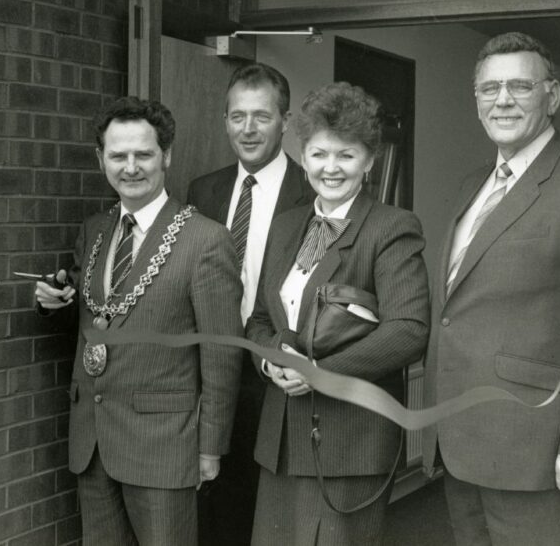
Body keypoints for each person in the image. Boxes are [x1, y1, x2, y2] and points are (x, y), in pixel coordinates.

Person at [422, 32, 560, 546]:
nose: (503, 100)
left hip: (540, 455)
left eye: (520, 85)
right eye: (490, 88)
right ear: (475, 102)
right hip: (461, 445)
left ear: (552, 96)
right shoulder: (470, 185)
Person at [35, 96, 244, 546]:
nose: (130, 167)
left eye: (143, 154)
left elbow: (222, 354)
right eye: (117, 155)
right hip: (93, 442)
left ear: (166, 156)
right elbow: (101, 315)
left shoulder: (206, 240)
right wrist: (55, 303)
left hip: (166, 446)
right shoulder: (95, 230)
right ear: (101, 159)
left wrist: (210, 447)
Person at [245, 81, 430, 545]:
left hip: (349, 445)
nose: (331, 168)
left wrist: (318, 372)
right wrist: (271, 360)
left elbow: (408, 331)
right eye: (319, 154)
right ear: (302, 155)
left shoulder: (390, 228)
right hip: (281, 442)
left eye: (346, 156)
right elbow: (261, 321)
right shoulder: (286, 225)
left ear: (369, 161)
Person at [186, 62, 314, 545]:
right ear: (224, 121)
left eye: (262, 116)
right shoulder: (204, 190)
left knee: (270, 510)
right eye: (237, 116)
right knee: (213, 505)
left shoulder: (310, 191)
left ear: (284, 121)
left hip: (275, 374)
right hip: (209, 371)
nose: (248, 128)